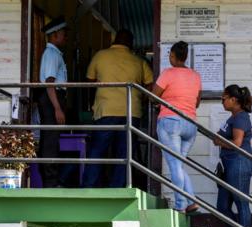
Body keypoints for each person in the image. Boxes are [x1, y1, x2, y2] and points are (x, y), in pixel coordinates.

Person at [82, 29, 154, 188]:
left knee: (98, 150)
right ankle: (118, 187)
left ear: (114, 40)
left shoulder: (100, 56)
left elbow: (89, 81)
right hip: (131, 112)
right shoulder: (139, 61)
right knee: (124, 153)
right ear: (131, 43)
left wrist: (93, 102)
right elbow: (150, 84)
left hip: (105, 110)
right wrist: (141, 99)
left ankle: (89, 185)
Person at [152, 41, 202, 212]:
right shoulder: (195, 76)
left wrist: (166, 100)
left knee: (174, 165)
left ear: (173, 56)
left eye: (170, 55)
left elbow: (153, 96)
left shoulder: (167, 73)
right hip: (191, 125)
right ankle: (192, 200)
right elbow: (197, 102)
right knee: (178, 165)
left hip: (171, 123)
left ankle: (180, 205)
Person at [213, 84, 252, 227]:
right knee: (222, 206)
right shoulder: (233, 117)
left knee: (240, 201)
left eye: (224, 98)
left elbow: (237, 143)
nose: (222, 101)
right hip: (229, 164)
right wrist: (219, 139)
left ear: (234, 100)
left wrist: (219, 141)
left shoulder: (240, 117)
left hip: (239, 162)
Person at [38, 16, 69, 188]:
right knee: (50, 140)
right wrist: (57, 108)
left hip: (54, 97)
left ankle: (51, 180)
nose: (65, 37)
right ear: (55, 34)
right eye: (63, 33)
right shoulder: (51, 54)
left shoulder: (55, 53)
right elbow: (50, 82)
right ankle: (50, 182)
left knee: (52, 139)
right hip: (52, 98)